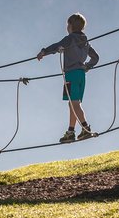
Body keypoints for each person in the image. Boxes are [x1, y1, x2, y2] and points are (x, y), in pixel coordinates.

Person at [36, 12, 99, 143]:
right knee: (73, 104)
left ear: (70, 26)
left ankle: (85, 128)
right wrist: (87, 67)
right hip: (81, 75)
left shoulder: (70, 39)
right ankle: (71, 131)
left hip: (71, 74)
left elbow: (56, 46)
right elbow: (95, 57)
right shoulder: (86, 42)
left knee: (74, 104)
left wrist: (43, 52)